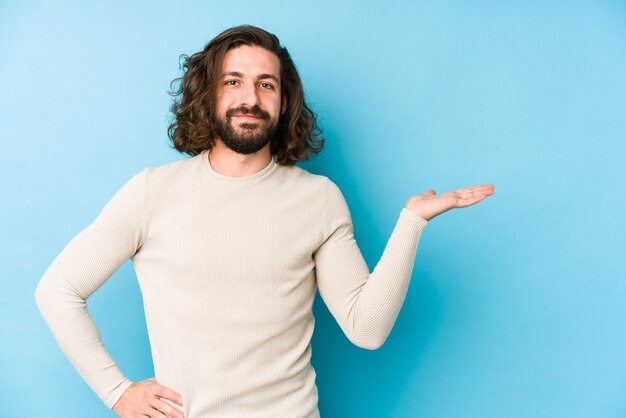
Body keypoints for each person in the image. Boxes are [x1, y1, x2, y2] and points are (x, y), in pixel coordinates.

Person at [34, 24, 494, 418]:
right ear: (209, 93)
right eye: (233, 81)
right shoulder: (153, 192)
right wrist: (117, 392)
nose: (250, 98)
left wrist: (412, 222)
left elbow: (366, 328)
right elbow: (58, 291)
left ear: (283, 99)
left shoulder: (318, 198)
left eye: (266, 84)